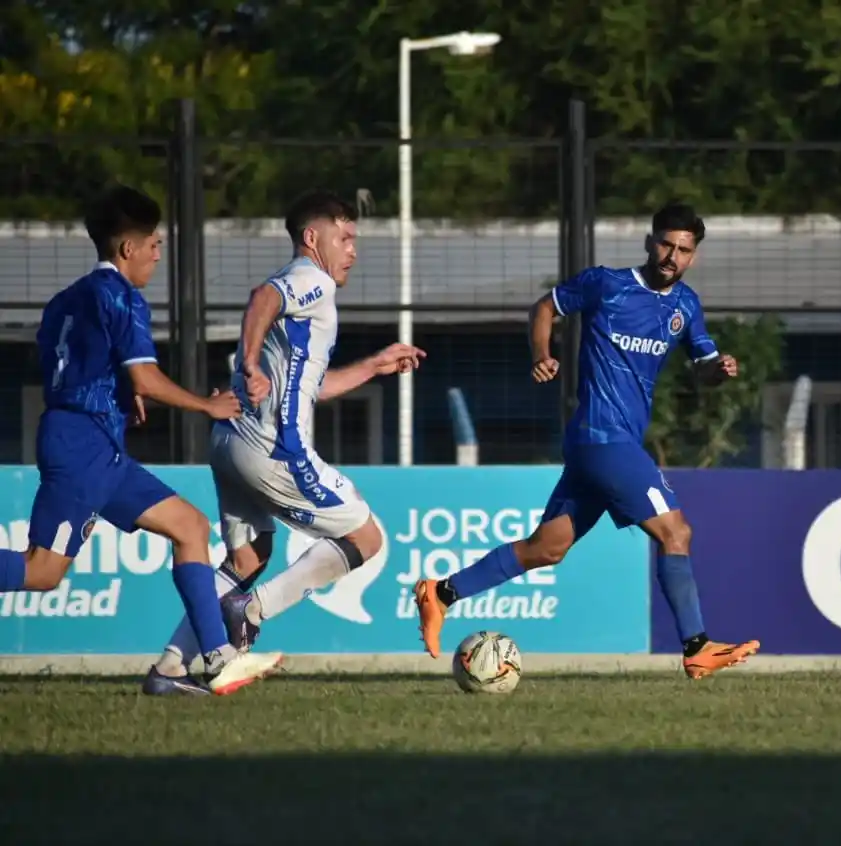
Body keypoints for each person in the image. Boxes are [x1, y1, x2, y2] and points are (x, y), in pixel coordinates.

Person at [413, 202, 759, 679]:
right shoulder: (607, 284)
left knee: (546, 549)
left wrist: (718, 371)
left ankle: (441, 593)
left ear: (693, 256)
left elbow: (703, 370)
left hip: (609, 444)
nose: (671, 256)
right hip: (602, 437)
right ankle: (697, 646)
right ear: (648, 241)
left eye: (683, 250)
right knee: (675, 532)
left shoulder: (686, 306)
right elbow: (544, 307)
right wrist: (542, 351)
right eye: (665, 244)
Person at [0, 184, 283, 695]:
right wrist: (207, 405)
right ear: (126, 249)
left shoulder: (66, 299)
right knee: (42, 572)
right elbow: (147, 377)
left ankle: (211, 659)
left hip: (93, 440)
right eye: (152, 242)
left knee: (191, 527)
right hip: (82, 448)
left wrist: (113, 397)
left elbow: (67, 368)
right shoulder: (122, 298)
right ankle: (211, 657)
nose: (158, 252)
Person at [143, 189, 424, 694]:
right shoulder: (310, 279)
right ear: (313, 239)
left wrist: (374, 366)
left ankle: (168, 668)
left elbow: (311, 386)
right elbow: (263, 298)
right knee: (365, 538)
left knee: (249, 557)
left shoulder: (310, 294)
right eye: (345, 237)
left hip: (231, 440)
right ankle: (253, 611)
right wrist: (248, 363)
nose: (353, 250)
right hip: (274, 450)